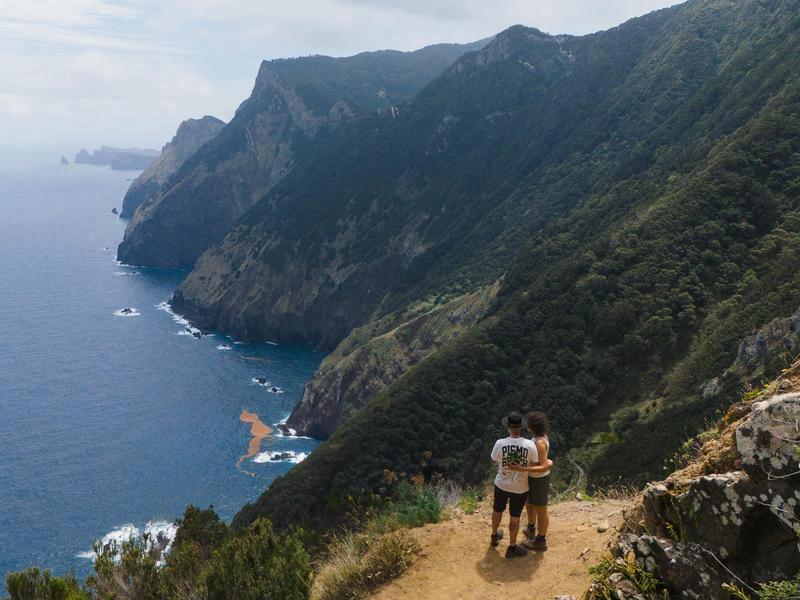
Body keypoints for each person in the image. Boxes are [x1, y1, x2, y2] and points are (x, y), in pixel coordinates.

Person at [490, 411, 553, 558]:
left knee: (497, 509)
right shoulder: (530, 444)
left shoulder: (500, 443)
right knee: (515, 515)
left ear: (507, 427)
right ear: (522, 427)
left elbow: (494, 460)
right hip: (520, 487)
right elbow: (538, 461)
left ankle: (494, 536)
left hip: (502, 484)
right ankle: (512, 546)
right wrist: (548, 462)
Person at [508, 411, 551, 551]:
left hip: (539, 480)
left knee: (541, 510)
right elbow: (544, 462)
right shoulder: (539, 438)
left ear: (531, 427)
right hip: (533, 479)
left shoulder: (539, 443)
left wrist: (523, 469)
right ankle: (531, 528)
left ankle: (541, 540)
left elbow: (543, 466)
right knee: (530, 504)